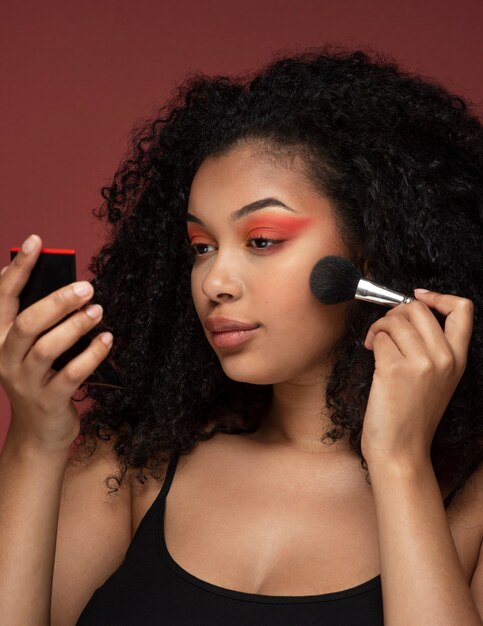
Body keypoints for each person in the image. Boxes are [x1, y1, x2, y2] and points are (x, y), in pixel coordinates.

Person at [0, 46, 482, 626]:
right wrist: (35, 439)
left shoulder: (470, 498)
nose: (215, 281)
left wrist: (400, 463)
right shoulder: (131, 465)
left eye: (262, 240)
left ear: (374, 246)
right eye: (201, 247)